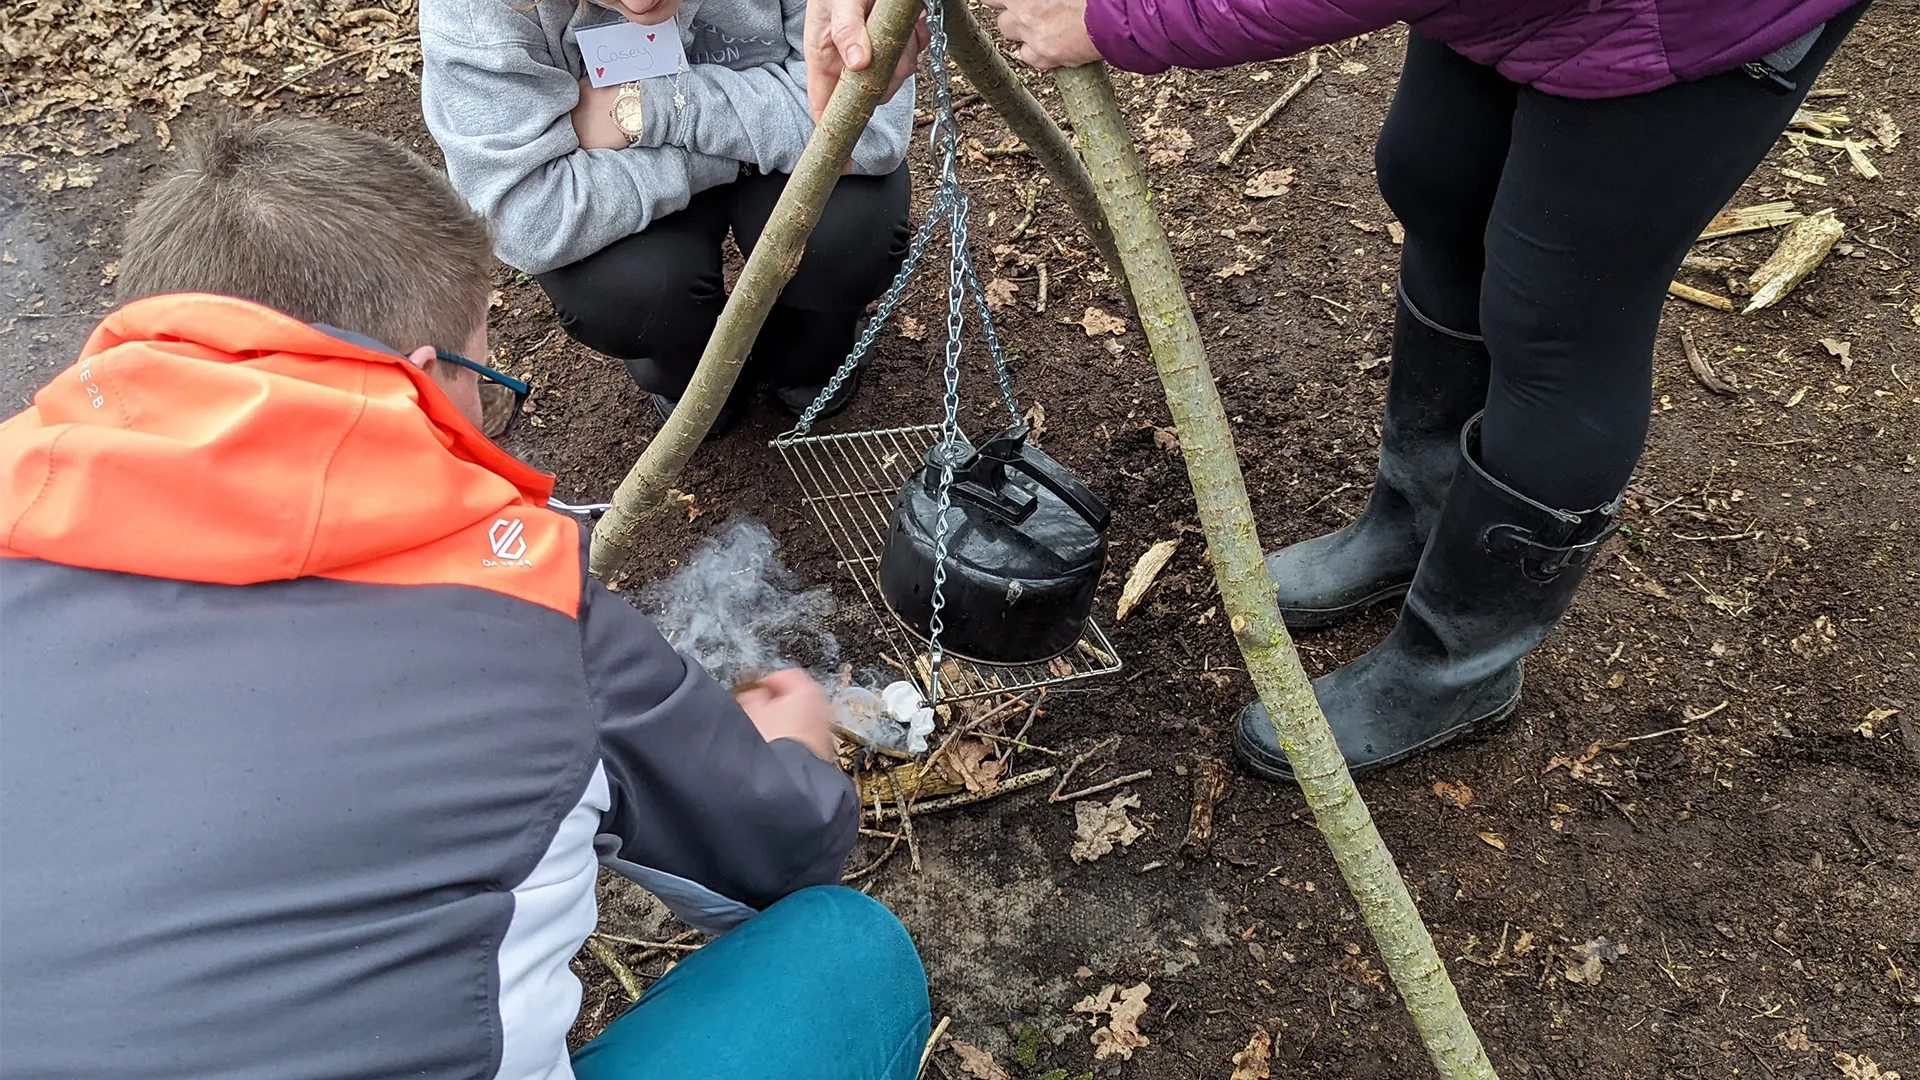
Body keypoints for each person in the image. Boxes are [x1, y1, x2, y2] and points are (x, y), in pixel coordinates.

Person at [0, 117, 930, 1080]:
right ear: (420, 378)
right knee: (843, 950)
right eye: (482, 373)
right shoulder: (526, 615)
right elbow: (776, 861)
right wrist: (792, 749)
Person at [811, 0, 1867, 779]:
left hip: (1682, 27)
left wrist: (1126, 21)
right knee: (1434, 174)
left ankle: (1459, 662)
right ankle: (1412, 525)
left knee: (1559, 310)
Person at [420, 0, 922, 432]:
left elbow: (868, 126)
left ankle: (810, 361)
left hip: (618, 156)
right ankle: (693, 384)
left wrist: (649, 111)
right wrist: (757, 135)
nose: (641, 6)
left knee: (847, 240)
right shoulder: (476, 13)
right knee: (632, 294)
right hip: (762, 132)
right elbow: (525, 214)